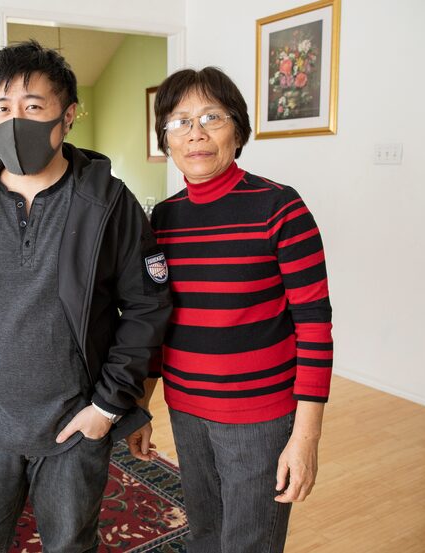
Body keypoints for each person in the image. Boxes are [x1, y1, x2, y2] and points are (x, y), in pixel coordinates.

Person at [0, 40, 171, 553]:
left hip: (74, 427)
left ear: (67, 116)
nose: (14, 121)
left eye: (33, 107)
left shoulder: (107, 203)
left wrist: (107, 407)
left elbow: (147, 305)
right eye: (1, 108)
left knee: (71, 544)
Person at [128, 67, 333, 553]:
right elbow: (158, 320)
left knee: (249, 543)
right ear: (166, 139)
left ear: (237, 131)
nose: (195, 133)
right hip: (187, 409)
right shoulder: (164, 218)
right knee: (205, 535)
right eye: (179, 121)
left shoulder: (280, 207)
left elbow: (315, 327)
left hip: (258, 418)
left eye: (211, 117)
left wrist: (305, 439)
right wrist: (142, 404)